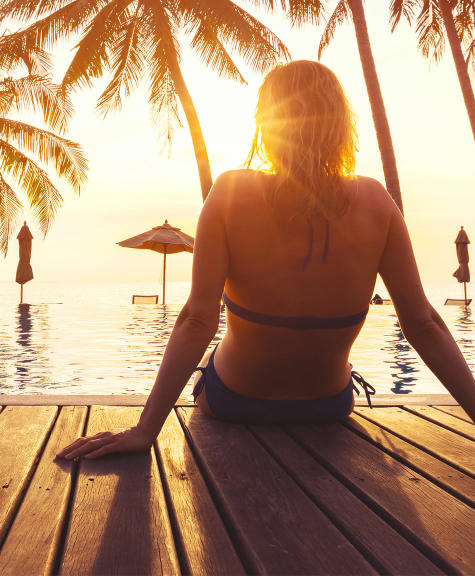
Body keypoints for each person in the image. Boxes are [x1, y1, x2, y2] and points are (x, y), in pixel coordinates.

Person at [57, 60, 475, 460]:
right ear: (340, 128)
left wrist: (144, 431)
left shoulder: (231, 192)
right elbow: (423, 324)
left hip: (235, 401)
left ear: (268, 125)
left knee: (213, 350)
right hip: (327, 405)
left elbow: (197, 320)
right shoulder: (375, 201)